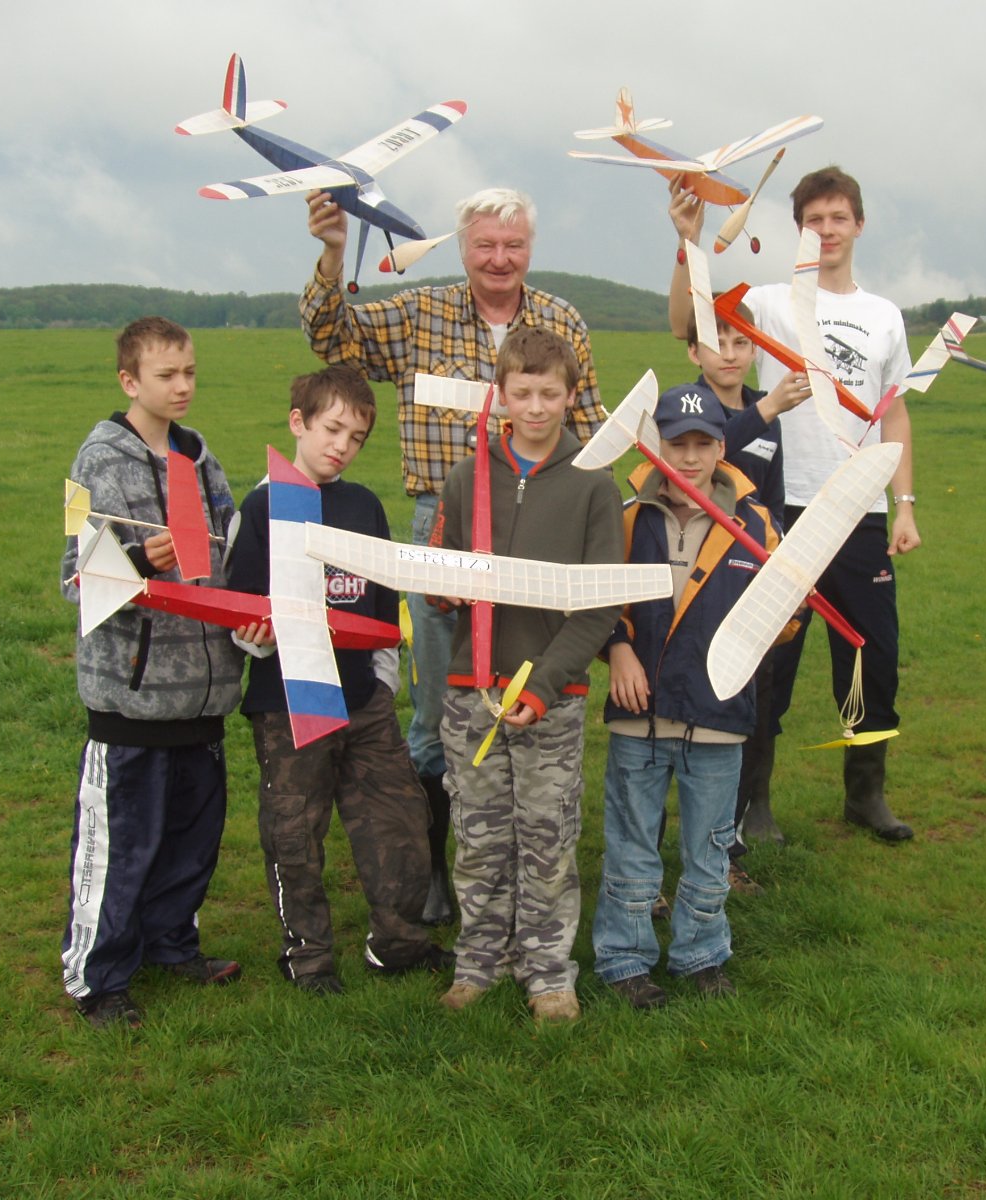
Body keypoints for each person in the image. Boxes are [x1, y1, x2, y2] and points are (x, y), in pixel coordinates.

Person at [300, 186, 608, 928]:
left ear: (530, 249)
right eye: (485, 245)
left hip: (540, 528)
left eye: (513, 245)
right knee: (444, 707)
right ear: (464, 247)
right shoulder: (420, 312)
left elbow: (592, 428)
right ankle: (440, 868)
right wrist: (334, 253)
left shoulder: (562, 321)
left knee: (532, 688)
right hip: (445, 526)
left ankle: (530, 859)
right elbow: (333, 338)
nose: (499, 259)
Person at [667, 166, 921, 843]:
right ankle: (755, 801)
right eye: (814, 221)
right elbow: (689, 321)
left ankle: (866, 795)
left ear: (859, 224)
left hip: (859, 510)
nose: (827, 231)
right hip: (784, 514)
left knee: (872, 654)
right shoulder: (771, 303)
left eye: (838, 218)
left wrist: (904, 504)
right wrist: (688, 241)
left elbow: (894, 416)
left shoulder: (884, 316)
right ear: (798, 229)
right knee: (770, 659)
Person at [226, 365, 452, 994]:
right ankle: (309, 956)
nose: (341, 446)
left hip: (363, 700)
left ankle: (398, 942)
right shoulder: (263, 506)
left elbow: (382, 604)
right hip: (288, 701)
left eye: (355, 438)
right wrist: (254, 636)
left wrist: (381, 683)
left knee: (399, 819)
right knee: (295, 832)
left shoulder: (362, 506)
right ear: (298, 423)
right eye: (331, 430)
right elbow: (239, 608)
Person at [429, 327, 624, 1024]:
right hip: (472, 690)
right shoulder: (466, 477)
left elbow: (600, 606)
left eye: (549, 393)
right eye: (522, 393)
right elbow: (442, 573)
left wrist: (544, 686)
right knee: (479, 836)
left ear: (571, 396)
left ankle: (547, 973)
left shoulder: (595, 485)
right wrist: (444, 589)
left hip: (552, 694)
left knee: (547, 839)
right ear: (501, 395)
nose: (535, 407)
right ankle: (478, 962)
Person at [58, 316, 245, 1029]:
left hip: (204, 695)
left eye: (190, 372)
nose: (182, 386)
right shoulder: (97, 462)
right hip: (131, 703)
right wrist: (141, 561)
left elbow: (228, 554)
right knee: (120, 848)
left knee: (191, 841)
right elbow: (75, 579)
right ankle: (99, 977)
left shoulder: (202, 458)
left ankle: (172, 945)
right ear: (128, 381)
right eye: (166, 375)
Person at [593, 384, 796, 1009]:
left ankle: (702, 954)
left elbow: (785, 617)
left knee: (709, 848)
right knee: (631, 844)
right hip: (639, 718)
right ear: (655, 446)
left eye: (703, 444)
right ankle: (624, 958)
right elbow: (600, 599)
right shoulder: (628, 518)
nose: (688, 457)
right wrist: (618, 647)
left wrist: (784, 610)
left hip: (717, 718)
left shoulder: (756, 525)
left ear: (721, 448)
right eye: (676, 444)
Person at [680, 307, 806, 888]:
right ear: (693, 352)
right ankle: (684, 842)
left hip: (754, 580)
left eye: (740, 342)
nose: (729, 354)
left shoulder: (765, 411)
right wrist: (766, 410)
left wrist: (782, 567)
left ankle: (729, 838)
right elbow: (701, 458)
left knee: (752, 707)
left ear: (755, 349)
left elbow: (772, 502)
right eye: (716, 343)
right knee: (695, 708)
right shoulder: (691, 406)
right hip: (700, 578)